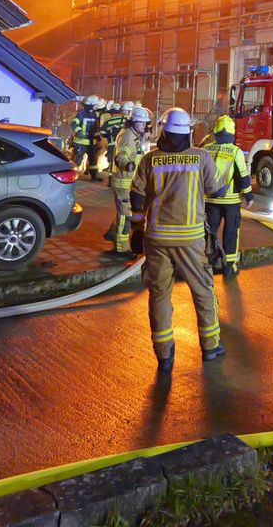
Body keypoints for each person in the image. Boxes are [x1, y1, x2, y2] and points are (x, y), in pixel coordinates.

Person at [130, 107, 228, 373]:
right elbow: (218, 191)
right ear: (188, 133)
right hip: (190, 239)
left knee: (159, 295)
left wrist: (136, 230)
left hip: (156, 238)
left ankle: (164, 355)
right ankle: (210, 346)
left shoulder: (149, 160)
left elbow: (136, 196)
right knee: (203, 291)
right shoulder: (201, 157)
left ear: (163, 131)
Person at [203, 115, 254, 277]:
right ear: (232, 133)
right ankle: (229, 267)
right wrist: (249, 196)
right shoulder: (235, 151)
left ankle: (207, 264)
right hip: (231, 201)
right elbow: (242, 176)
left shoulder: (206, 149)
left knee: (209, 233)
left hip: (210, 199)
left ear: (216, 132)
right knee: (231, 232)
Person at [105, 105, 151, 253]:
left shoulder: (133, 134)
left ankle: (113, 232)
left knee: (123, 210)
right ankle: (121, 248)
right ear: (133, 121)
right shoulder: (128, 136)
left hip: (129, 181)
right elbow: (121, 155)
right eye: (141, 122)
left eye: (145, 123)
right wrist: (128, 165)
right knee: (126, 214)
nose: (144, 125)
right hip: (123, 181)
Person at [69, 96, 99, 172]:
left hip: (91, 142)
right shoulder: (81, 114)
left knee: (93, 161)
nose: (97, 106)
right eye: (95, 104)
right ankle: (72, 174)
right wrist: (80, 131)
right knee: (77, 160)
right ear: (91, 105)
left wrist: (97, 134)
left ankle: (94, 176)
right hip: (81, 142)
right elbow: (74, 124)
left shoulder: (94, 114)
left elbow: (95, 127)